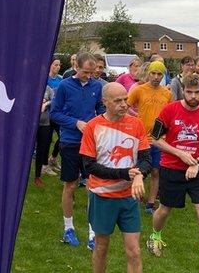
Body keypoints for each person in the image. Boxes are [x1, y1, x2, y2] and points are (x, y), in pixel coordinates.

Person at [146, 74, 199, 273]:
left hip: (196, 170)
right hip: (171, 168)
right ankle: (155, 236)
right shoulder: (169, 110)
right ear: (183, 91)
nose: (193, 96)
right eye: (189, 92)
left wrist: (197, 161)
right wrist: (179, 153)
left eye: (197, 92)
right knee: (164, 209)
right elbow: (154, 138)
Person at [81, 82, 151, 273]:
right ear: (105, 102)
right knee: (101, 247)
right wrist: (125, 174)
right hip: (102, 197)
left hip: (128, 198)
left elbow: (146, 159)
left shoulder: (136, 124)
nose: (124, 105)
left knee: (135, 251)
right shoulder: (93, 126)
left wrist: (138, 177)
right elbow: (90, 166)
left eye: (125, 100)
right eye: (118, 101)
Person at [50, 52, 105, 249]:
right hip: (70, 141)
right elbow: (54, 113)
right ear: (76, 68)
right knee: (71, 185)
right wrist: (76, 123)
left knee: (92, 185)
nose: (88, 76)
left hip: (91, 143)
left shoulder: (97, 86)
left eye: (91, 73)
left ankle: (92, 231)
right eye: (85, 72)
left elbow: (100, 108)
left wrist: (103, 120)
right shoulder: (65, 85)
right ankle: (68, 228)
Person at [127, 60, 172, 215]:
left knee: (155, 172)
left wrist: (166, 134)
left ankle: (151, 203)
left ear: (163, 75)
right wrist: (133, 123)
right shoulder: (139, 90)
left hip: (158, 139)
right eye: (153, 73)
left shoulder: (167, 93)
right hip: (139, 138)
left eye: (159, 74)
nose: (155, 77)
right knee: (136, 169)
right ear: (148, 73)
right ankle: (135, 197)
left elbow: (170, 117)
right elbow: (124, 107)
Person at [34, 84, 55, 186]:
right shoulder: (30, 86)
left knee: (41, 149)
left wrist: (46, 104)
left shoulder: (48, 88)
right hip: (30, 124)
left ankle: (37, 176)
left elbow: (54, 100)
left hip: (44, 123)